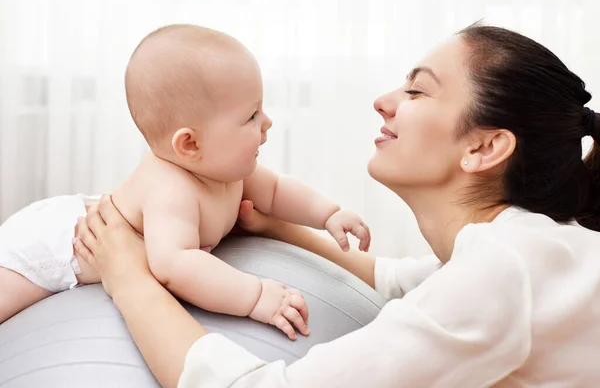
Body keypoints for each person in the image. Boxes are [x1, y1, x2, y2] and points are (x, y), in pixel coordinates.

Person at [74, 23, 600, 387]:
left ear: (483, 147)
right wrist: (278, 226)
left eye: (417, 92)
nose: (385, 101)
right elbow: (403, 285)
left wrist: (127, 275)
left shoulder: (506, 269)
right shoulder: (521, 248)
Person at [0, 24, 372, 334]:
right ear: (190, 144)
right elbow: (176, 266)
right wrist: (255, 297)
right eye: (251, 116)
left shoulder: (228, 171)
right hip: (55, 247)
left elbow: (277, 192)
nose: (268, 122)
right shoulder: (171, 189)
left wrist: (328, 215)